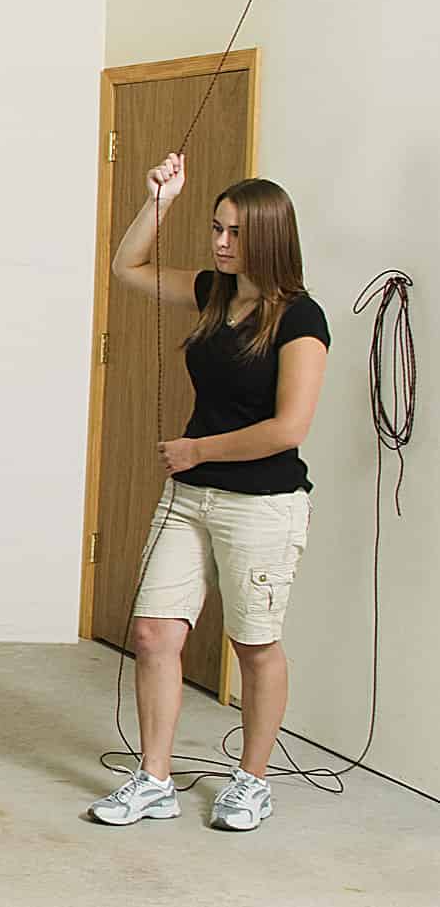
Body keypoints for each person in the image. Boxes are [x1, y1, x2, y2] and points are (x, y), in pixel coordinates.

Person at [90, 152, 329, 831]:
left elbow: (288, 428)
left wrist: (197, 449)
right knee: (154, 631)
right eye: (215, 228)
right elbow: (126, 268)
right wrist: (159, 200)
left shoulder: (301, 319)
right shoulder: (213, 294)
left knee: (254, 644)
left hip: (262, 502)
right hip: (190, 498)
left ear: (269, 239)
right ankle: (155, 777)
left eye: (233, 233)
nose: (220, 243)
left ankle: (252, 781)